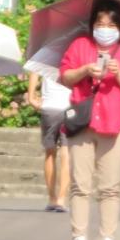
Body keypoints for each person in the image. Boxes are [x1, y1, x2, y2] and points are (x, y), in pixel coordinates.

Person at [60, 0, 120, 240]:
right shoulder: (80, 46)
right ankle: (79, 238)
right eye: (100, 24)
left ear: (119, 27)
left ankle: (108, 239)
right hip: (83, 123)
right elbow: (65, 77)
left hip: (113, 123)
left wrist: (118, 74)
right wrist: (85, 70)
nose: (104, 29)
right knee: (80, 185)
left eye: (110, 24)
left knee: (110, 187)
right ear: (92, 25)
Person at [27, 68, 71, 212]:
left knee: (50, 153)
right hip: (69, 107)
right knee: (67, 154)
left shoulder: (47, 56)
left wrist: (31, 96)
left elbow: (34, 71)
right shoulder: (73, 56)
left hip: (49, 107)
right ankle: (61, 199)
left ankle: (52, 198)